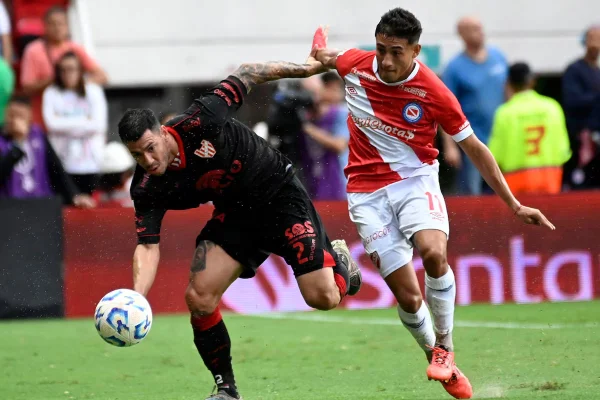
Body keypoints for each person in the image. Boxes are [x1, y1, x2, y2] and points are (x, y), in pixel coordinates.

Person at [311, 8, 555, 399]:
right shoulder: (358, 65)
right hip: (365, 193)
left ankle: (445, 345)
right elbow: (325, 59)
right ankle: (441, 361)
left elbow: (474, 148)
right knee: (408, 296)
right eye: (380, 49)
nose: (386, 60)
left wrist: (513, 204)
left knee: (433, 253)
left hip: (414, 181)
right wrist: (316, 51)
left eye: (395, 51)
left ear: (415, 51)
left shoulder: (435, 91)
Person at [117, 56, 362, 400]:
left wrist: (306, 70)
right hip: (237, 214)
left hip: (279, 193)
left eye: (150, 148)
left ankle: (340, 265)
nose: (148, 161)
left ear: (161, 132)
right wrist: (138, 297)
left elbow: (248, 72)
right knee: (199, 297)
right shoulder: (146, 187)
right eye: (137, 156)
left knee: (323, 298)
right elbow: (147, 245)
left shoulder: (202, 119)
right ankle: (226, 389)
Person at [441, 16, 508, 195]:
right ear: (462, 35)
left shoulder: (498, 57)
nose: (480, 33)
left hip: (502, 139)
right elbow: (445, 108)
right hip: (473, 142)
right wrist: (450, 146)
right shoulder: (455, 67)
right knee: (473, 192)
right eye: (474, 29)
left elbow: (509, 94)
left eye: (480, 28)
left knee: (504, 190)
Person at [488, 62, 571, 194]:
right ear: (532, 81)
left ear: (509, 84)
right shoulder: (552, 107)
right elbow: (563, 151)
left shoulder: (504, 113)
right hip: (550, 180)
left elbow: (495, 156)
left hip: (515, 183)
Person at [0, 95, 95, 208]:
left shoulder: (38, 134)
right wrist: (18, 142)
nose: (15, 121)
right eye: (11, 115)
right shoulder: (2, 139)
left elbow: (56, 168)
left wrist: (74, 195)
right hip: (10, 206)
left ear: (30, 116)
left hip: (41, 204)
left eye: (20, 116)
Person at [20, 6, 107, 126]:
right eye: (52, 24)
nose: (57, 28)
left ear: (67, 26)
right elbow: (27, 88)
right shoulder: (33, 50)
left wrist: (76, 82)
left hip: (75, 119)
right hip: (44, 120)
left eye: (61, 24)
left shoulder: (75, 48)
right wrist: (56, 80)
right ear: (44, 26)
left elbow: (102, 76)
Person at [43, 52, 108, 194]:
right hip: (63, 162)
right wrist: (86, 121)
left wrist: (64, 124)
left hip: (91, 162)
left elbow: (98, 125)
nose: (67, 74)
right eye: (63, 70)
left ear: (80, 71)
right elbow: (51, 125)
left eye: (71, 69)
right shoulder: (51, 93)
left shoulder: (93, 91)